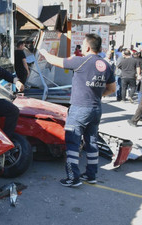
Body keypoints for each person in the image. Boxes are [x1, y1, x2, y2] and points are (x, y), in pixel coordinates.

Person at [39, 33, 116, 187]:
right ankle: (91, 175)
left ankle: (73, 178)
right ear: (99, 48)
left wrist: (44, 52)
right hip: (96, 109)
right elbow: (112, 89)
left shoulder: (80, 61)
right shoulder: (106, 65)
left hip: (80, 109)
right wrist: (97, 95)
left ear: (87, 47)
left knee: (73, 142)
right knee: (92, 142)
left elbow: (54, 60)